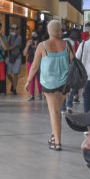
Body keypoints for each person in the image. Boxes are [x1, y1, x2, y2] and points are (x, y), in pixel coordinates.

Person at [26, 20, 74, 152]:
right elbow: (73, 62)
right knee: (57, 111)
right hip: (65, 83)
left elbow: (35, 66)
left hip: (49, 83)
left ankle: (57, 143)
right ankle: (54, 136)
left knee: (54, 112)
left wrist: (28, 80)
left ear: (49, 30)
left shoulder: (43, 45)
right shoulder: (67, 44)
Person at [23, 30, 43, 101]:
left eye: (35, 34)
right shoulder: (29, 43)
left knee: (39, 78)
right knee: (31, 78)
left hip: (39, 62)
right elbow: (24, 53)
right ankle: (31, 95)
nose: (33, 36)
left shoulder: (41, 43)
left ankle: (40, 93)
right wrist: (27, 45)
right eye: (32, 35)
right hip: (30, 62)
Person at [6, 23, 24, 95]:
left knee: (15, 73)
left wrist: (6, 48)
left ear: (18, 30)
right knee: (8, 73)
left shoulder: (19, 37)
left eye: (15, 29)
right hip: (10, 56)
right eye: (12, 29)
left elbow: (13, 46)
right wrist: (9, 37)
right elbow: (6, 43)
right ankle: (13, 83)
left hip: (17, 57)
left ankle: (14, 88)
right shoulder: (9, 36)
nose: (13, 30)